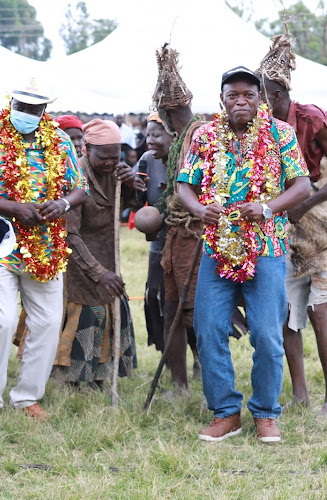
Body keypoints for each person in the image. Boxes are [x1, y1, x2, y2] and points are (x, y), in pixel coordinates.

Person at [177, 66, 310, 443]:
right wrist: (200, 210)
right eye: (233, 95)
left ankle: (266, 413)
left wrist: (268, 207)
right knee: (209, 331)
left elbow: (302, 185)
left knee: (268, 336)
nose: (240, 102)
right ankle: (225, 413)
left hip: (267, 247)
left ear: (259, 99)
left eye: (248, 95)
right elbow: (184, 184)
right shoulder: (205, 136)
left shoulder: (280, 133)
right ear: (222, 99)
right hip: (217, 249)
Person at [0, 78, 87, 422]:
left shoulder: (59, 140)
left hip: (46, 246)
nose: (26, 114)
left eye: (34, 109)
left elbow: (80, 188)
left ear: (45, 110)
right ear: (10, 103)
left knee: (46, 322)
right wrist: (12, 208)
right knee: (1, 319)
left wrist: (62, 204)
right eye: (21, 107)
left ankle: (27, 397)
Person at [258, 27, 327, 419]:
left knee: (317, 309)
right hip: (290, 232)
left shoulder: (311, 120)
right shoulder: (262, 130)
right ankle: (299, 394)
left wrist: (308, 202)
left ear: (278, 97)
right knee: (285, 312)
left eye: (259, 98)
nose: (254, 105)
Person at [50, 119, 136, 388]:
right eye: (104, 158)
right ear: (86, 148)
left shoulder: (117, 175)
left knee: (109, 313)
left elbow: (130, 205)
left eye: (116, 157)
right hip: (80, 264)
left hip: (109, 258)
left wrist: (131, 183)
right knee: (86, 317)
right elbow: (70, 234)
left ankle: (100, 378)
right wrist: (99, 273)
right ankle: (72, 381)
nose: (111, 163)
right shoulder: (74, 177)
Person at [153, 43, 208, 390]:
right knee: (170, 306)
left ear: (168, 113)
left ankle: (208, 383)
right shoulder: (178, 140)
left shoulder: (200, 135)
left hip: (196, 234)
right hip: (178, 234)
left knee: (196, 311)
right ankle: (179, 384)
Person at [135, 113, 175, 357]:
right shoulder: (146, 160)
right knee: (155, 297)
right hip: (158, 244)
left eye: (157, 135)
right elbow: (140, 203)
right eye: (148, 134)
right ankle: (166, 355)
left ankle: (197, 358)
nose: (150, 140)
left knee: (185, 303)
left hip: (187, 244)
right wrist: (137, 188)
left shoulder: (187, 158)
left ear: (173, 134)